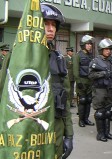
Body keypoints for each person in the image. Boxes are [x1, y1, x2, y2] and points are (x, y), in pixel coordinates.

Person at [42, 3, 74, 158]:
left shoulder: (58, 58)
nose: (50, 29)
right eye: (45, 23)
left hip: (56, 130)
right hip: (28, 133)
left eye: (53, 25)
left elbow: (65, 98)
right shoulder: (17, 58)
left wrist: (69, 134)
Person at [89, 38, 112, 142]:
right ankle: (100, 134)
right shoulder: (95, 61)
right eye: (106, 49)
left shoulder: (111, 61)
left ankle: (107, 132)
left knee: (108, 112)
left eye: (110, 49)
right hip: (99, 90)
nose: (108, 51)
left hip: (110, 88)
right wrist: (102, 74)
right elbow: (90, 75)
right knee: (100, 113)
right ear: (101, 50)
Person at [73, 34, 95, 127]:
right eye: (88, 44)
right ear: (83, 44)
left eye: (91, 44)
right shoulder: (78, 55)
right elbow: (75, 70)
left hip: (90, 82)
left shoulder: (91, 56)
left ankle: (86, 119)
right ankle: (81, 120)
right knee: (82, 101)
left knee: (89, 101)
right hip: (82, 81)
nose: (90, 45)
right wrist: (78, 82)